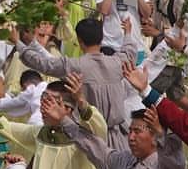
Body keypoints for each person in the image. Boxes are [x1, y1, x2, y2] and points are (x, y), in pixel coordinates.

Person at [72, 65, 186, 169]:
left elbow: (176, 166)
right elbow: (95, 147)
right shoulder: (124, 162)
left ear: (154, 136)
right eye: (130, 131)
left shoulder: (164, 168)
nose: (131, 137)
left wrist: (161, 136)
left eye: (137, 131)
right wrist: (69, 116)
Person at [19, 17, 138, 151]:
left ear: (79, 41)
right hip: (118, 141)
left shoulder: (74, 65)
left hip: (88, 141)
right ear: (101, 37)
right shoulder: (117, 63)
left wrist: (19, 44)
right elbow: (130, 53)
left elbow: (43, 64)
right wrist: (127, 33)